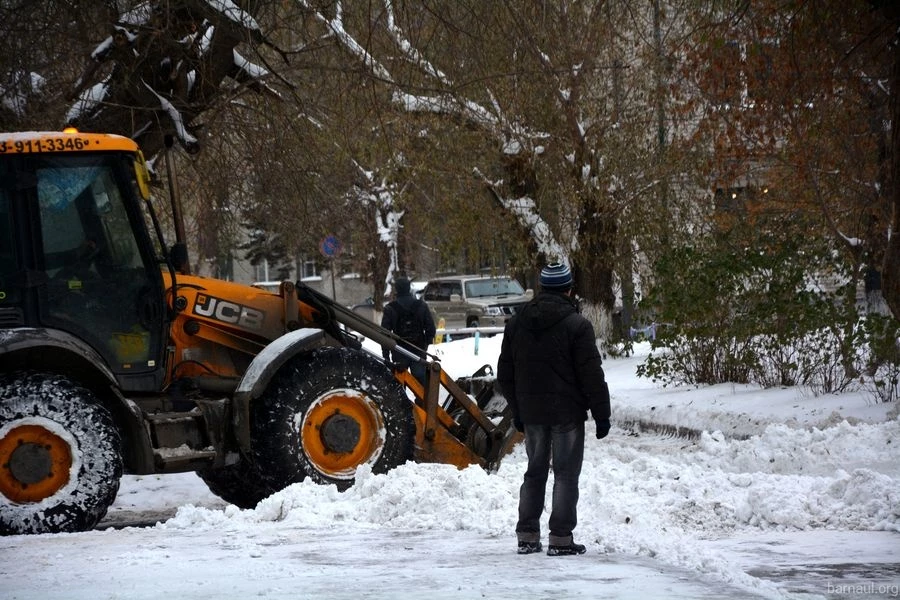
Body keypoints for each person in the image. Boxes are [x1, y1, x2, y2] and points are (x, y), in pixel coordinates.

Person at [497, 263, 611, 556]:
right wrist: (601, 414)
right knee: (565, 474)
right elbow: (591, 374)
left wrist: (518, 409)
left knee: (534, 472)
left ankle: (527, 536)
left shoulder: (516, 324)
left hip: (533, 414)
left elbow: (505, 374)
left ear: (543, 287)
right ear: (569, 289)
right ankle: (560, 539)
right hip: (567, 413)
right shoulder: (577, 325)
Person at [381, 276, 436, 385]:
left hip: (399, 352)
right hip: (418, 351)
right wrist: (424, 346)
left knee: (399, 385)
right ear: (409, 288)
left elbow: (384, 334)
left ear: (396, 289)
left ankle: (401, 402)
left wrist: (386, 356)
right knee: (421, 385)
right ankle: (422, 401)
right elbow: (431, 329)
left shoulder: (390, 308)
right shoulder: (421, 306)